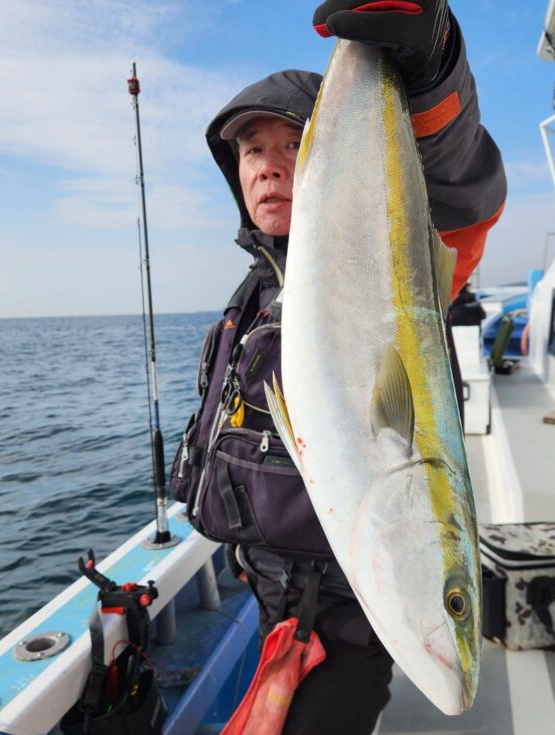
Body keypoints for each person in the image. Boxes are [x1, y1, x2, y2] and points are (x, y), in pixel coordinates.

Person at [171, 2, 506, 732]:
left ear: (326, 151)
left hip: (342, 625)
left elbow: (459, 189)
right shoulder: (258, 295)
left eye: (292, 143)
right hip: (270, 607)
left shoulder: (391, 258)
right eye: (252, 151)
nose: (267, 165)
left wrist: (433, 58)